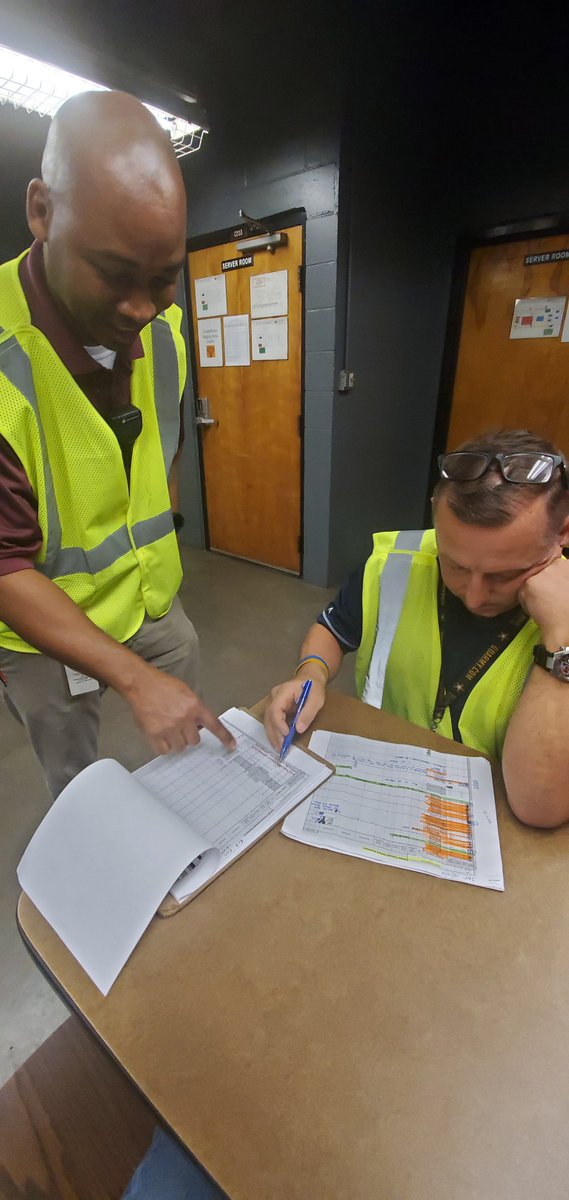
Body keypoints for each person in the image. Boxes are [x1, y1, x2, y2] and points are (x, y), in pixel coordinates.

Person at [0, 90, 234, 799]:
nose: (140, 307)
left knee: (188, 745)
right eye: (114, 273)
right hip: (44, 626)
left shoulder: (164, 330)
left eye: (162, 277)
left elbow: (156, 457)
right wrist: (130, 677)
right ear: (42, 212)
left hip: (152, 601)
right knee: (79, 784)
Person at [265, 428, 569, 828]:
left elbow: (539, 808)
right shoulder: (395, 562)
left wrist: (561, 640)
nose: (475, 596)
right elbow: (332, 631)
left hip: (494, 825)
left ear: (562, 533)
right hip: (384, 782)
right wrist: (311, 674)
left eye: (507, 574)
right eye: (455, 565)